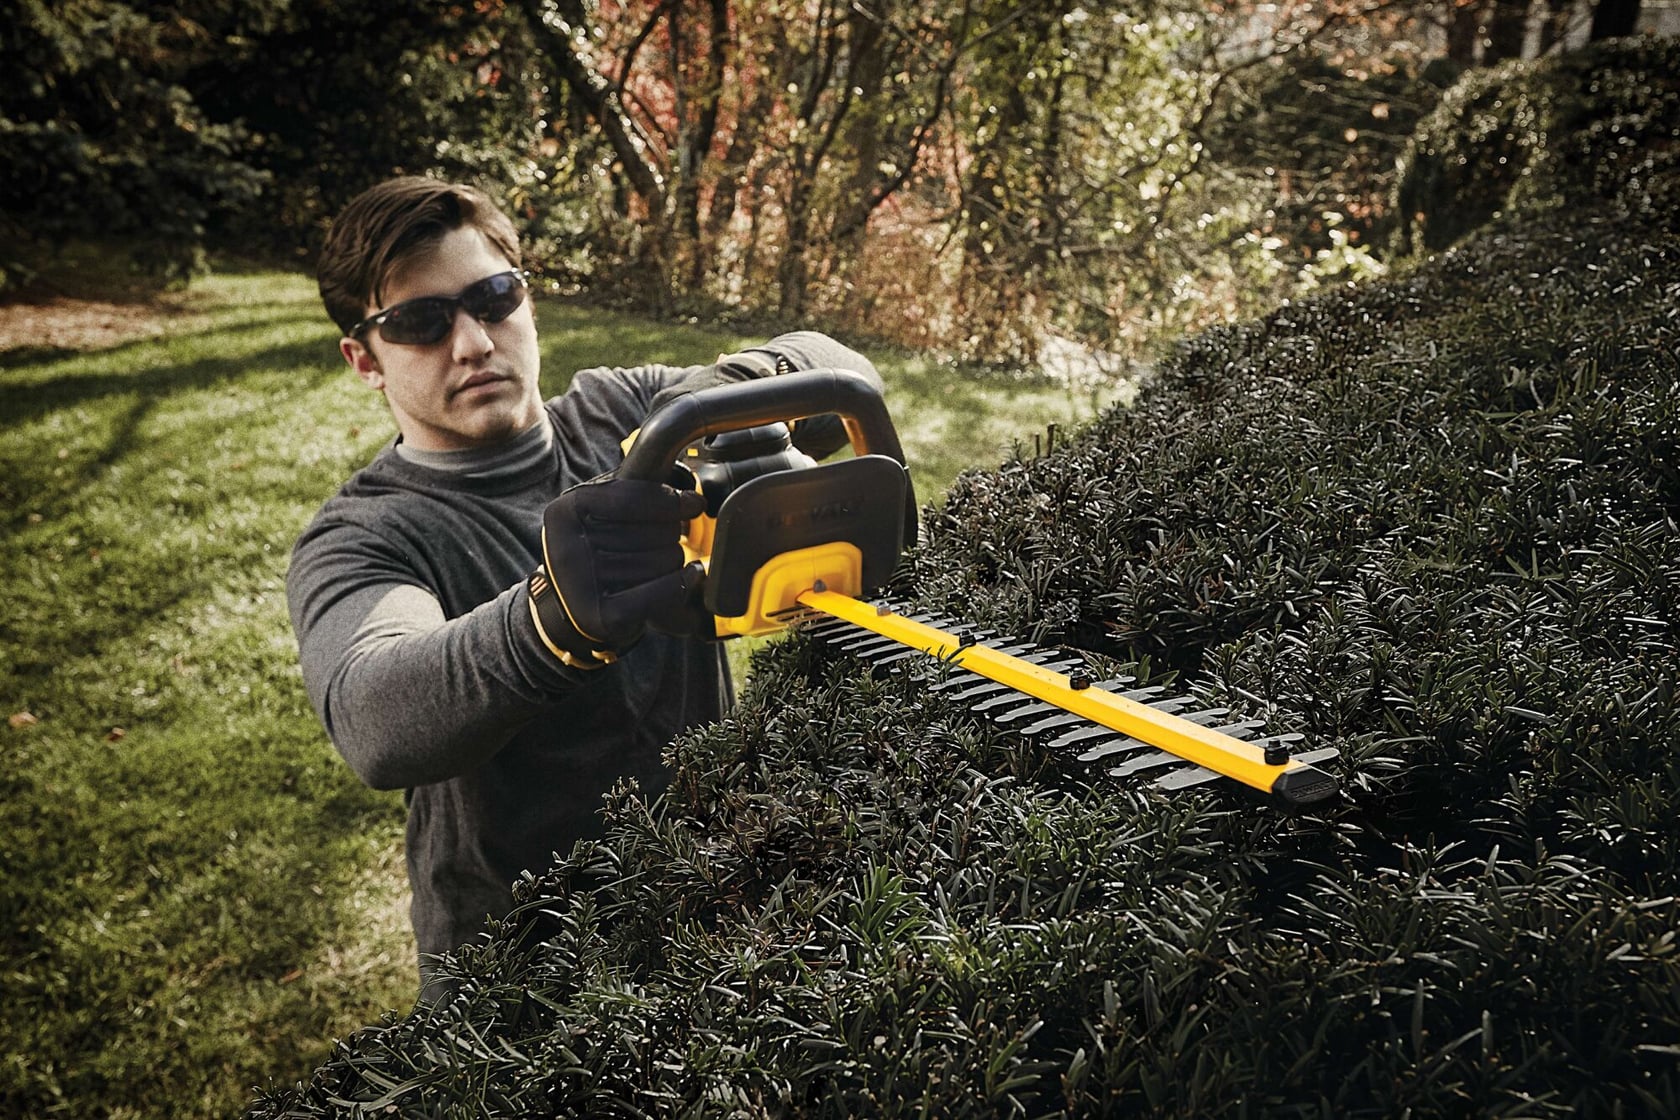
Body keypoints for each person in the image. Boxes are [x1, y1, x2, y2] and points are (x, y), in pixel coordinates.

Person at [286, 176, 882, 1000]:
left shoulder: (625, 413)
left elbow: (842, 369)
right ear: (364, 358)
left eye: (492, 299)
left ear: (528, 303)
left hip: (715, 885)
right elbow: (373, 715)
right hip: (517, 962)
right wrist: (549, 625)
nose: (472, 342)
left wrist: (731, 387)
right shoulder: (368, 534)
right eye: (421, 323)